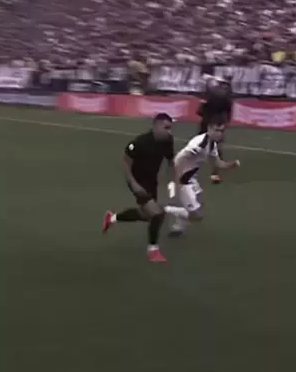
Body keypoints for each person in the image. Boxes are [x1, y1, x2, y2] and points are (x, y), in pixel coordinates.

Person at [102, 113, 179, 263]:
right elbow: (126, 163)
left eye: (170, 128)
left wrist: (172, 182)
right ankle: (153, 250)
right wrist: (134, 185)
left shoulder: (168, 141)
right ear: (156, 126)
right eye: (166, 128)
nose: (169, 131)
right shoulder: (139, 142)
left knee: (146, 215)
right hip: (137, 182)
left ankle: (111, 218)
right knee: (158, 214)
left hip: (152, 182)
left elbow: (171, 161)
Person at [166, 115, 240, 237]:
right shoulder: (200, 143)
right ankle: (165, 210)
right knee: (197, 216)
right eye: (216, 130)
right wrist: (177, 179)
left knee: (199, 205)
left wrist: (232, 164)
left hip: (190, 177)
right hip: (183, 179)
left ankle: (178, 227)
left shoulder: (211, 144)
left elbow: (218, 163)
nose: (219, 134)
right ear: (209, 128)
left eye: (221, 131)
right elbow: (181, 159)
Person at [197, 76, 233, 184]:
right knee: (216, 147)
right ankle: (215, 172)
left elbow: (200, 112)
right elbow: (228, 112)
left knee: (202, 143)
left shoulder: (209, 98)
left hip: (208, 123)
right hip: (219, 122)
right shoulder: (226, 99)